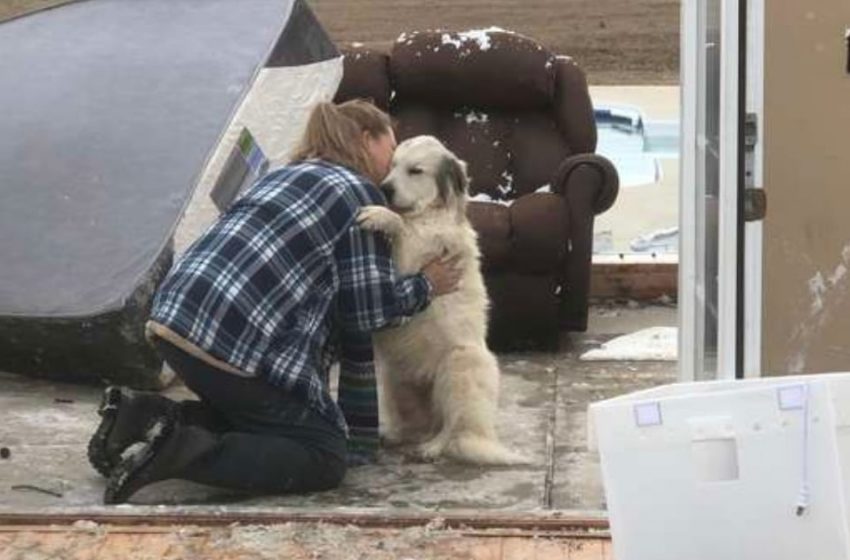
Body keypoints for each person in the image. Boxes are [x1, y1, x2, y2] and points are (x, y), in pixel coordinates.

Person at [87, 99, 462, 504]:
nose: (390, 172)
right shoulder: (358, 193)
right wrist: (427, 284)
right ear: (366, 139)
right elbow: (367, 310)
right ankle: (174, 452)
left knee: (266, 420)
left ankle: (137, 418)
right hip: (228, 340)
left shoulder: (286, 175)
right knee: (322, 453)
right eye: (391, 152)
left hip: (174, 319)